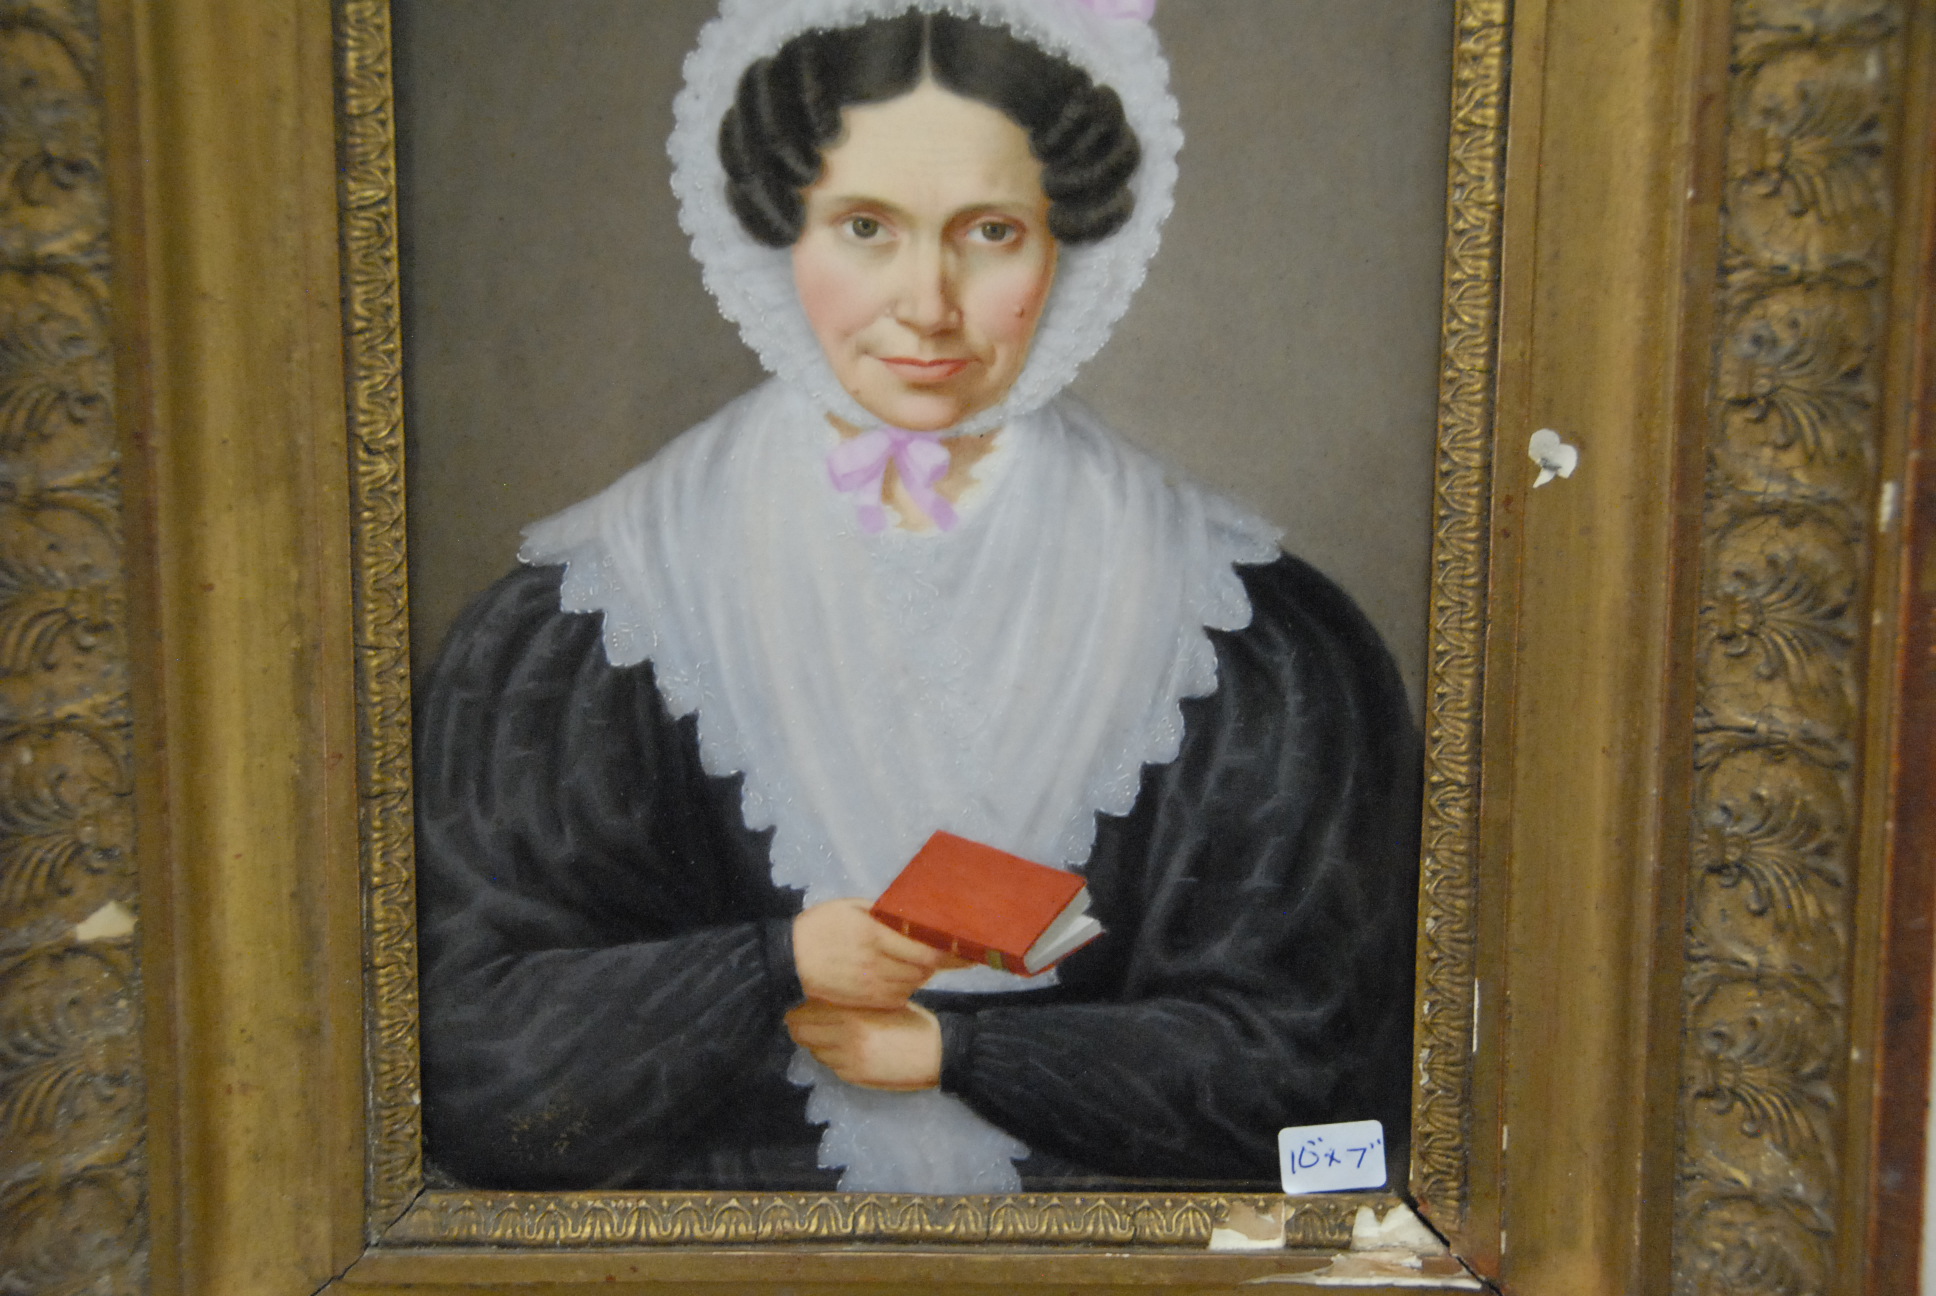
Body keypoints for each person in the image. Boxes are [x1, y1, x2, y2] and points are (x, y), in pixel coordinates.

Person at [414, 0, 1421, 1195]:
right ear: (779, 234)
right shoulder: (593, 617)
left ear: (1065, 243)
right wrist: (778, 962)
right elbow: (473, 1082)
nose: (928, 303)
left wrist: (962, 1052)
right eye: (865, 228)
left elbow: (1336, 1123)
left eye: (990, 231)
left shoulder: (1254, 642)